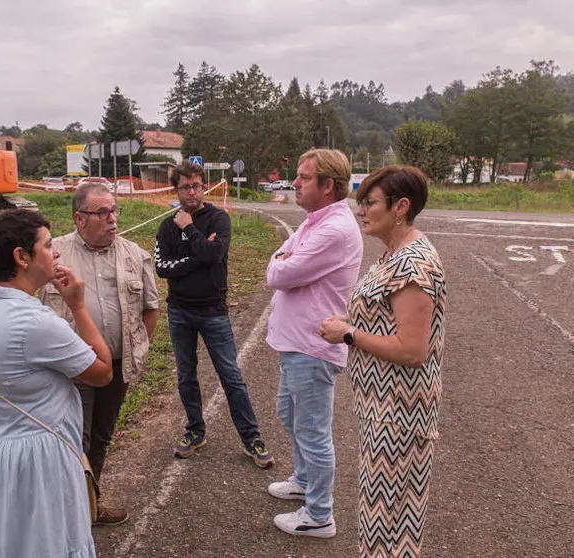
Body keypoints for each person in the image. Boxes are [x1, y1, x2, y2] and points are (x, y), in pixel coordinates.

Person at [0, 182, 159, 527]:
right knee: (74, 441)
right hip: (73, 369)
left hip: (116, 364)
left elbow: (149, 309)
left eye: (115, 210)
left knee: (100, 437)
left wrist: (138, 350)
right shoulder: (54, 252)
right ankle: (68, 513)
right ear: (80, 219)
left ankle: (89, 502)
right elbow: (6, 273)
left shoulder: (134, 254)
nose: (112, 219)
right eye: (103, 212)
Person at [0, 208, 113, 557]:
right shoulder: (34, 324)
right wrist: (78, 306)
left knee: (8, 540)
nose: (56, 252)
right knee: (45, 541)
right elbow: (103, 371)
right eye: (47, 245)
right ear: (22, 257)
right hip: (36, 457)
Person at [318, 165, 447, 557]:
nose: (360, 211)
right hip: (382, 409)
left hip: (400, 415)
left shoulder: (412, 265)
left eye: (369, 203)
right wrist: (353, 321)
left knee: (391, 520)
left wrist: (350, 335)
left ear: (401, 207)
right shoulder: (394, 254)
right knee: (381, 514)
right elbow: (386, 318)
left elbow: (412, 349)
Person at [265, 148, 363, 538]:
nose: (295, 183)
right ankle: (305, 481)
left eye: (304, 178)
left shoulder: (333, 229)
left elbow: (280, 273)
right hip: (296, 343)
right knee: (290, 417)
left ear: (328, 185)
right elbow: (282, 259)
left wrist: (283, 259)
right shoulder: (315, 220)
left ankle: (320, 513)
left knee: (313, 430)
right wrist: (283, 257)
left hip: (312, 346)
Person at [154, 161, 273, 468]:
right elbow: (161, 268)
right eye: (184, 187)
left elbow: (214, 254)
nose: (191, 192)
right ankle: (195, 431)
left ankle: (251, 437)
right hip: (179, 310)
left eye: (195, 185)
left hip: (212, 311)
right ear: (176, 189)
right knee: (185, 376)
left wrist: (190, 230)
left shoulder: (218, 219)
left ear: (203, 186)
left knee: (230, 376)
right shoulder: (166, 227)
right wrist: (197, 256)